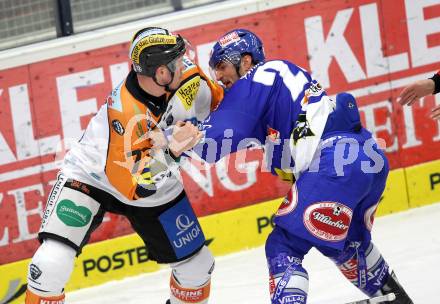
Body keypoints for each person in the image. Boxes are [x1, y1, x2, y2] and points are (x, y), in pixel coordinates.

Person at [170, 29, 414, 304]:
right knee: (347, 245)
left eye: (222, 66)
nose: (219, 77)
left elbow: (223, 134)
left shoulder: (260, 75)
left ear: (246, 61)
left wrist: (172, 138)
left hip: (336, 161)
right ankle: (399, 300)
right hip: (366, 157)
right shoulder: (276, 93)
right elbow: (227, 142)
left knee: (282, 245)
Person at [25, 27, 223, 304]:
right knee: (50, 264)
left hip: (156, 181)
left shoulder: (190, 77)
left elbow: (224, 107)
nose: (185, 63)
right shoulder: (127, 113)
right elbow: (134, 186)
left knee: (197, 267)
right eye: (176, 62)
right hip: (92, 176)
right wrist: (172, 151)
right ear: (160, 73)